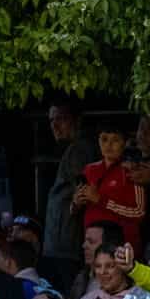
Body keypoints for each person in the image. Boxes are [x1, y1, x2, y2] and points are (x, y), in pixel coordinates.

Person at [44, 100, 99, 264]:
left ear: (77, 120)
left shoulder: (79, 150)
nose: (55, 125)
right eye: (52, 121)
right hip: (64, 240)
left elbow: (82, 193)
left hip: (66, 243)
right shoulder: (75, 149)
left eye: (61, 119)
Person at [78, 123, 146, 250]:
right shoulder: (89, 169)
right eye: (104, 139)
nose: (108, 145)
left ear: (125, 143)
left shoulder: (133, 170)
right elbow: (78, 207)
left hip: (123, 246)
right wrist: (76, 203)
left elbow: (139, 212)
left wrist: (101, 200)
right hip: (92, 245)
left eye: (115, 140)